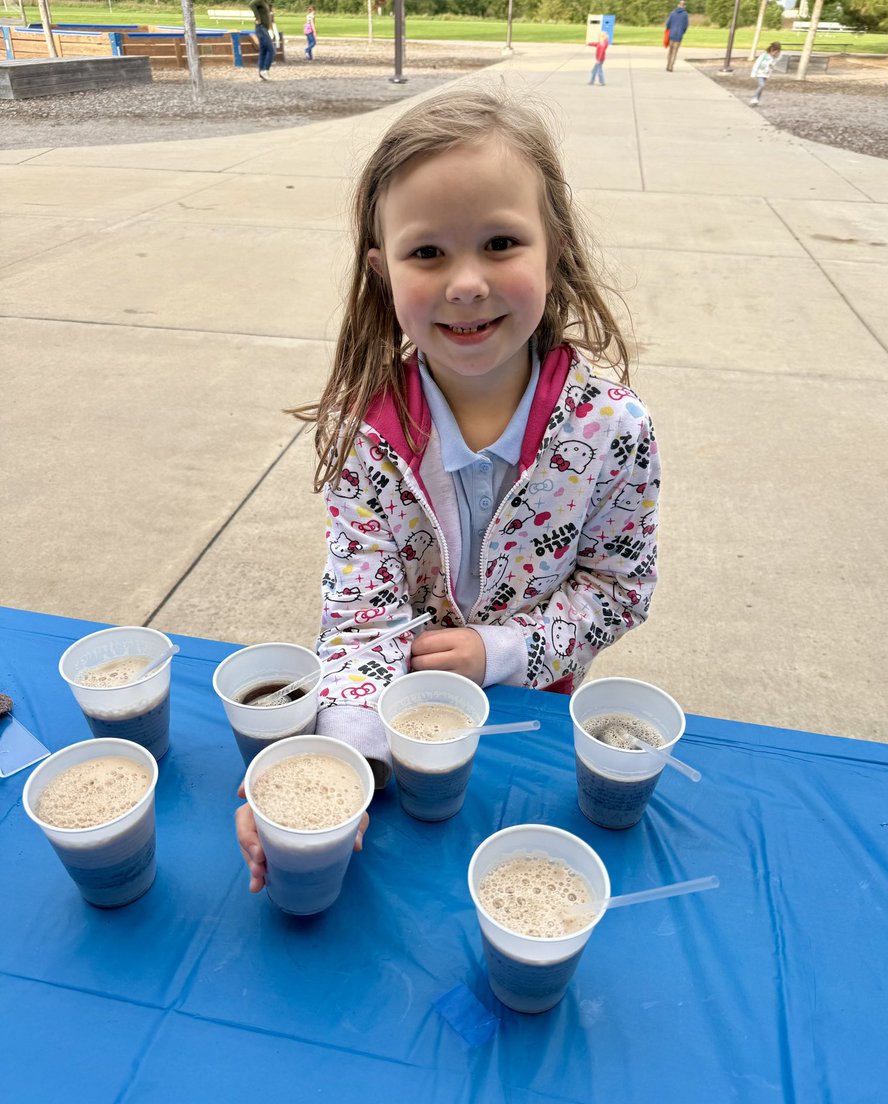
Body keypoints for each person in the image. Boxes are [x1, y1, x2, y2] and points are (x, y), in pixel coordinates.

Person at [235, 87, 661, 892]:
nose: (466, 283)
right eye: (427, 253)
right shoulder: (366, 435)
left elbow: (619, 589)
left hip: (532, 718)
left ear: (556, 249)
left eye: (500, 243)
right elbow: (360, 622)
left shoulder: (614, 429)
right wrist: (339, 770)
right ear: (382, 271)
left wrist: (501, 651)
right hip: (398, 726)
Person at [249, 0, 275, 81]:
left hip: (264, 29)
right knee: (271, 50)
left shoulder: (265, 2)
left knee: (263, 51)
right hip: (261, 28)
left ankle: (261, 73)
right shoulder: (260, 1)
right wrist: (257, 17)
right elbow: (251, 4)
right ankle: (265, 70)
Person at [749, 42, 781, 106]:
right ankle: (754, 98)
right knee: (762, 85)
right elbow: (757, 63)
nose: (776, 53)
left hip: (766, 74)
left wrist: (775, 58)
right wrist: (753, 73)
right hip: (759, 73)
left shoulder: (774, 57)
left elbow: (773, 65)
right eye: (775, 52)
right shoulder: (764, 55)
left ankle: (756, 100)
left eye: (777, 52)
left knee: (761, 87)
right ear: (771, 50)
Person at [664, 1, 689, 72]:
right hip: (679, 35)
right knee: (675, 52)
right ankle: (671, 66)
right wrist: (682, 32)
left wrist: (669, 29)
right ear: (684, 6)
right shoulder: (685, 14)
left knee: (670, 51)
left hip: (671, 34)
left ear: (678, 5)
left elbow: (668, 24)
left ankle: (668, 65)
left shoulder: (673, 13)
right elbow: (685, 26)